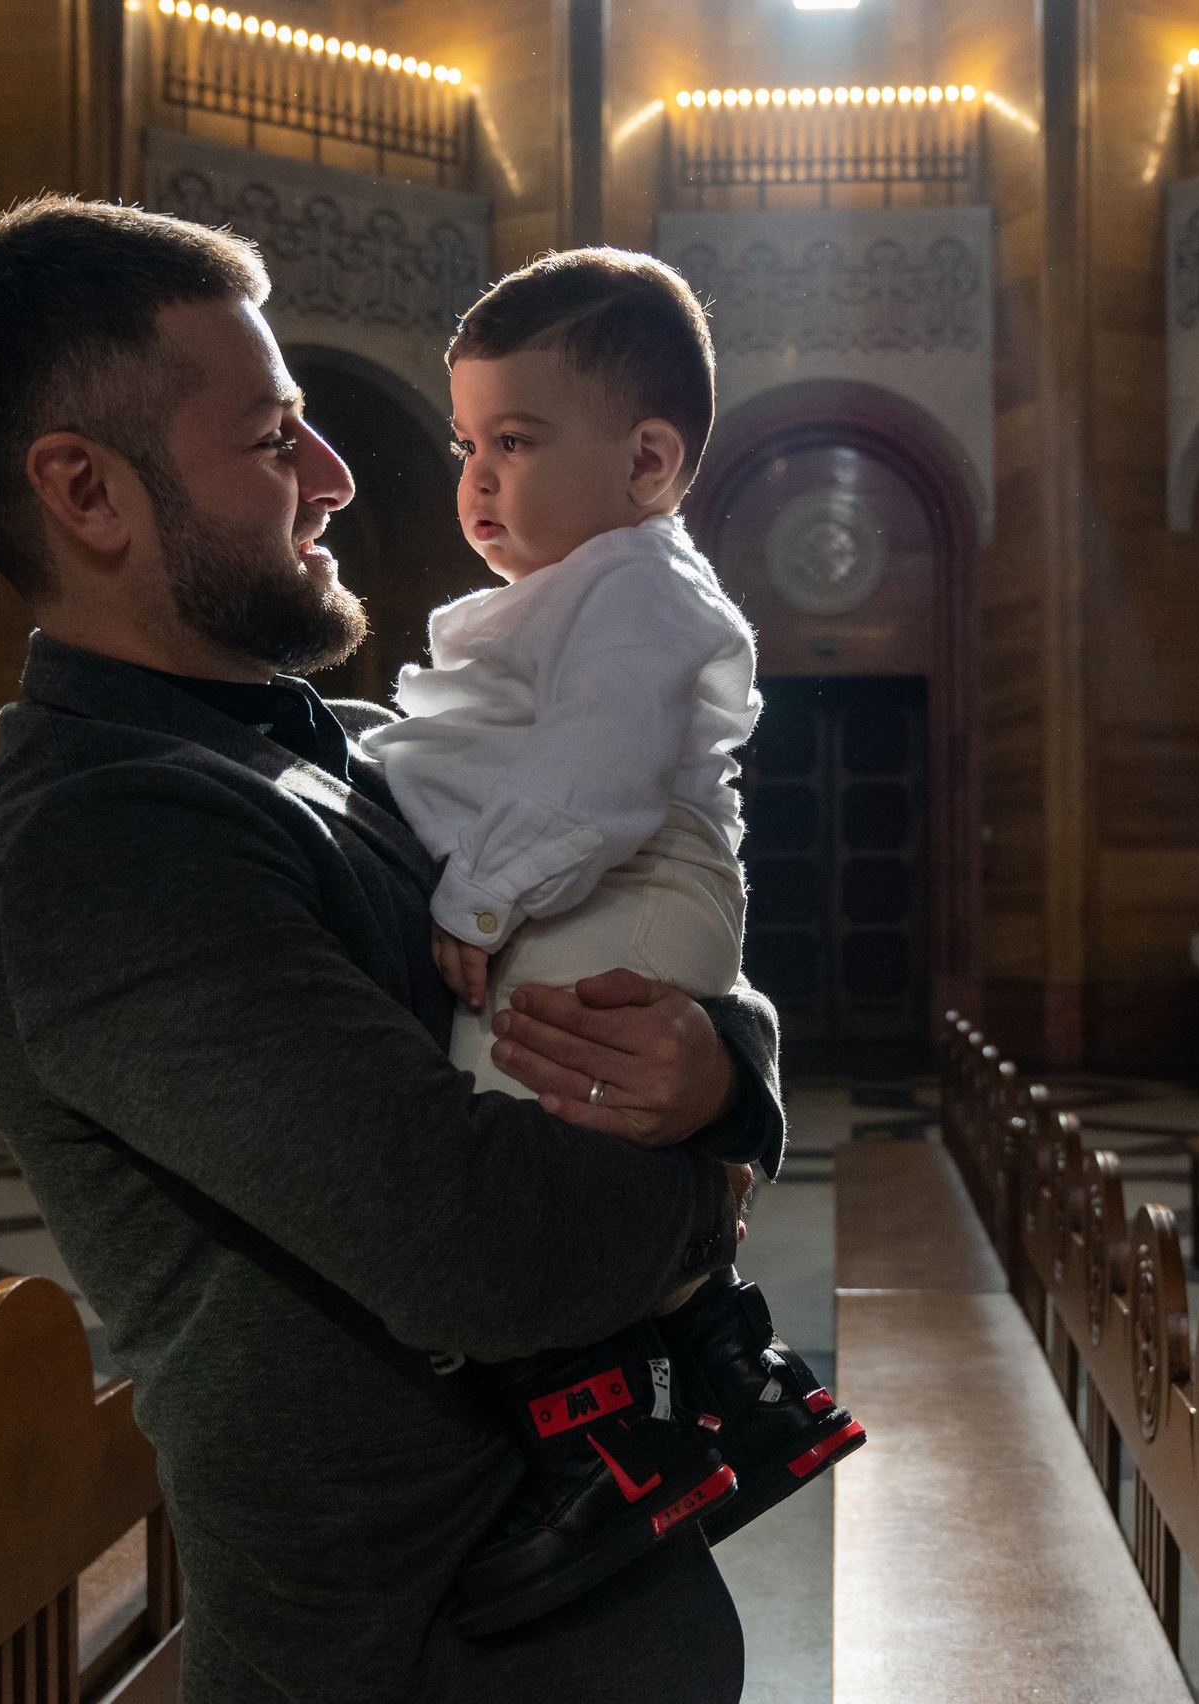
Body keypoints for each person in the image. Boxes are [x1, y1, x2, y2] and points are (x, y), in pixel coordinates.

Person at [0, 195, 777, 1704]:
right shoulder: (104, 845)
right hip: (408, 1655)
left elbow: (664, 938)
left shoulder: (350, 752)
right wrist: (718, 1166)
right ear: (88, 494)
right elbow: (477, 1248)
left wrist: (721, 1063)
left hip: (576, 1590)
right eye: (276, 438)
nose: (342, 477)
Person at [364, 251, 863, 1638]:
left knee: (524, 1142)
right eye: (466, 446)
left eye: (513, 444)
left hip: (621, 880)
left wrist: (474, 900)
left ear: (648, 460)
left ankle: (603, 1457)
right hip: (600, 879)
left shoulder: (638, 585)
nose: (473, 483)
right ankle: (732, 1373)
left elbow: (595, 769)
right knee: (542, 1115)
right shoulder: (591, 582)